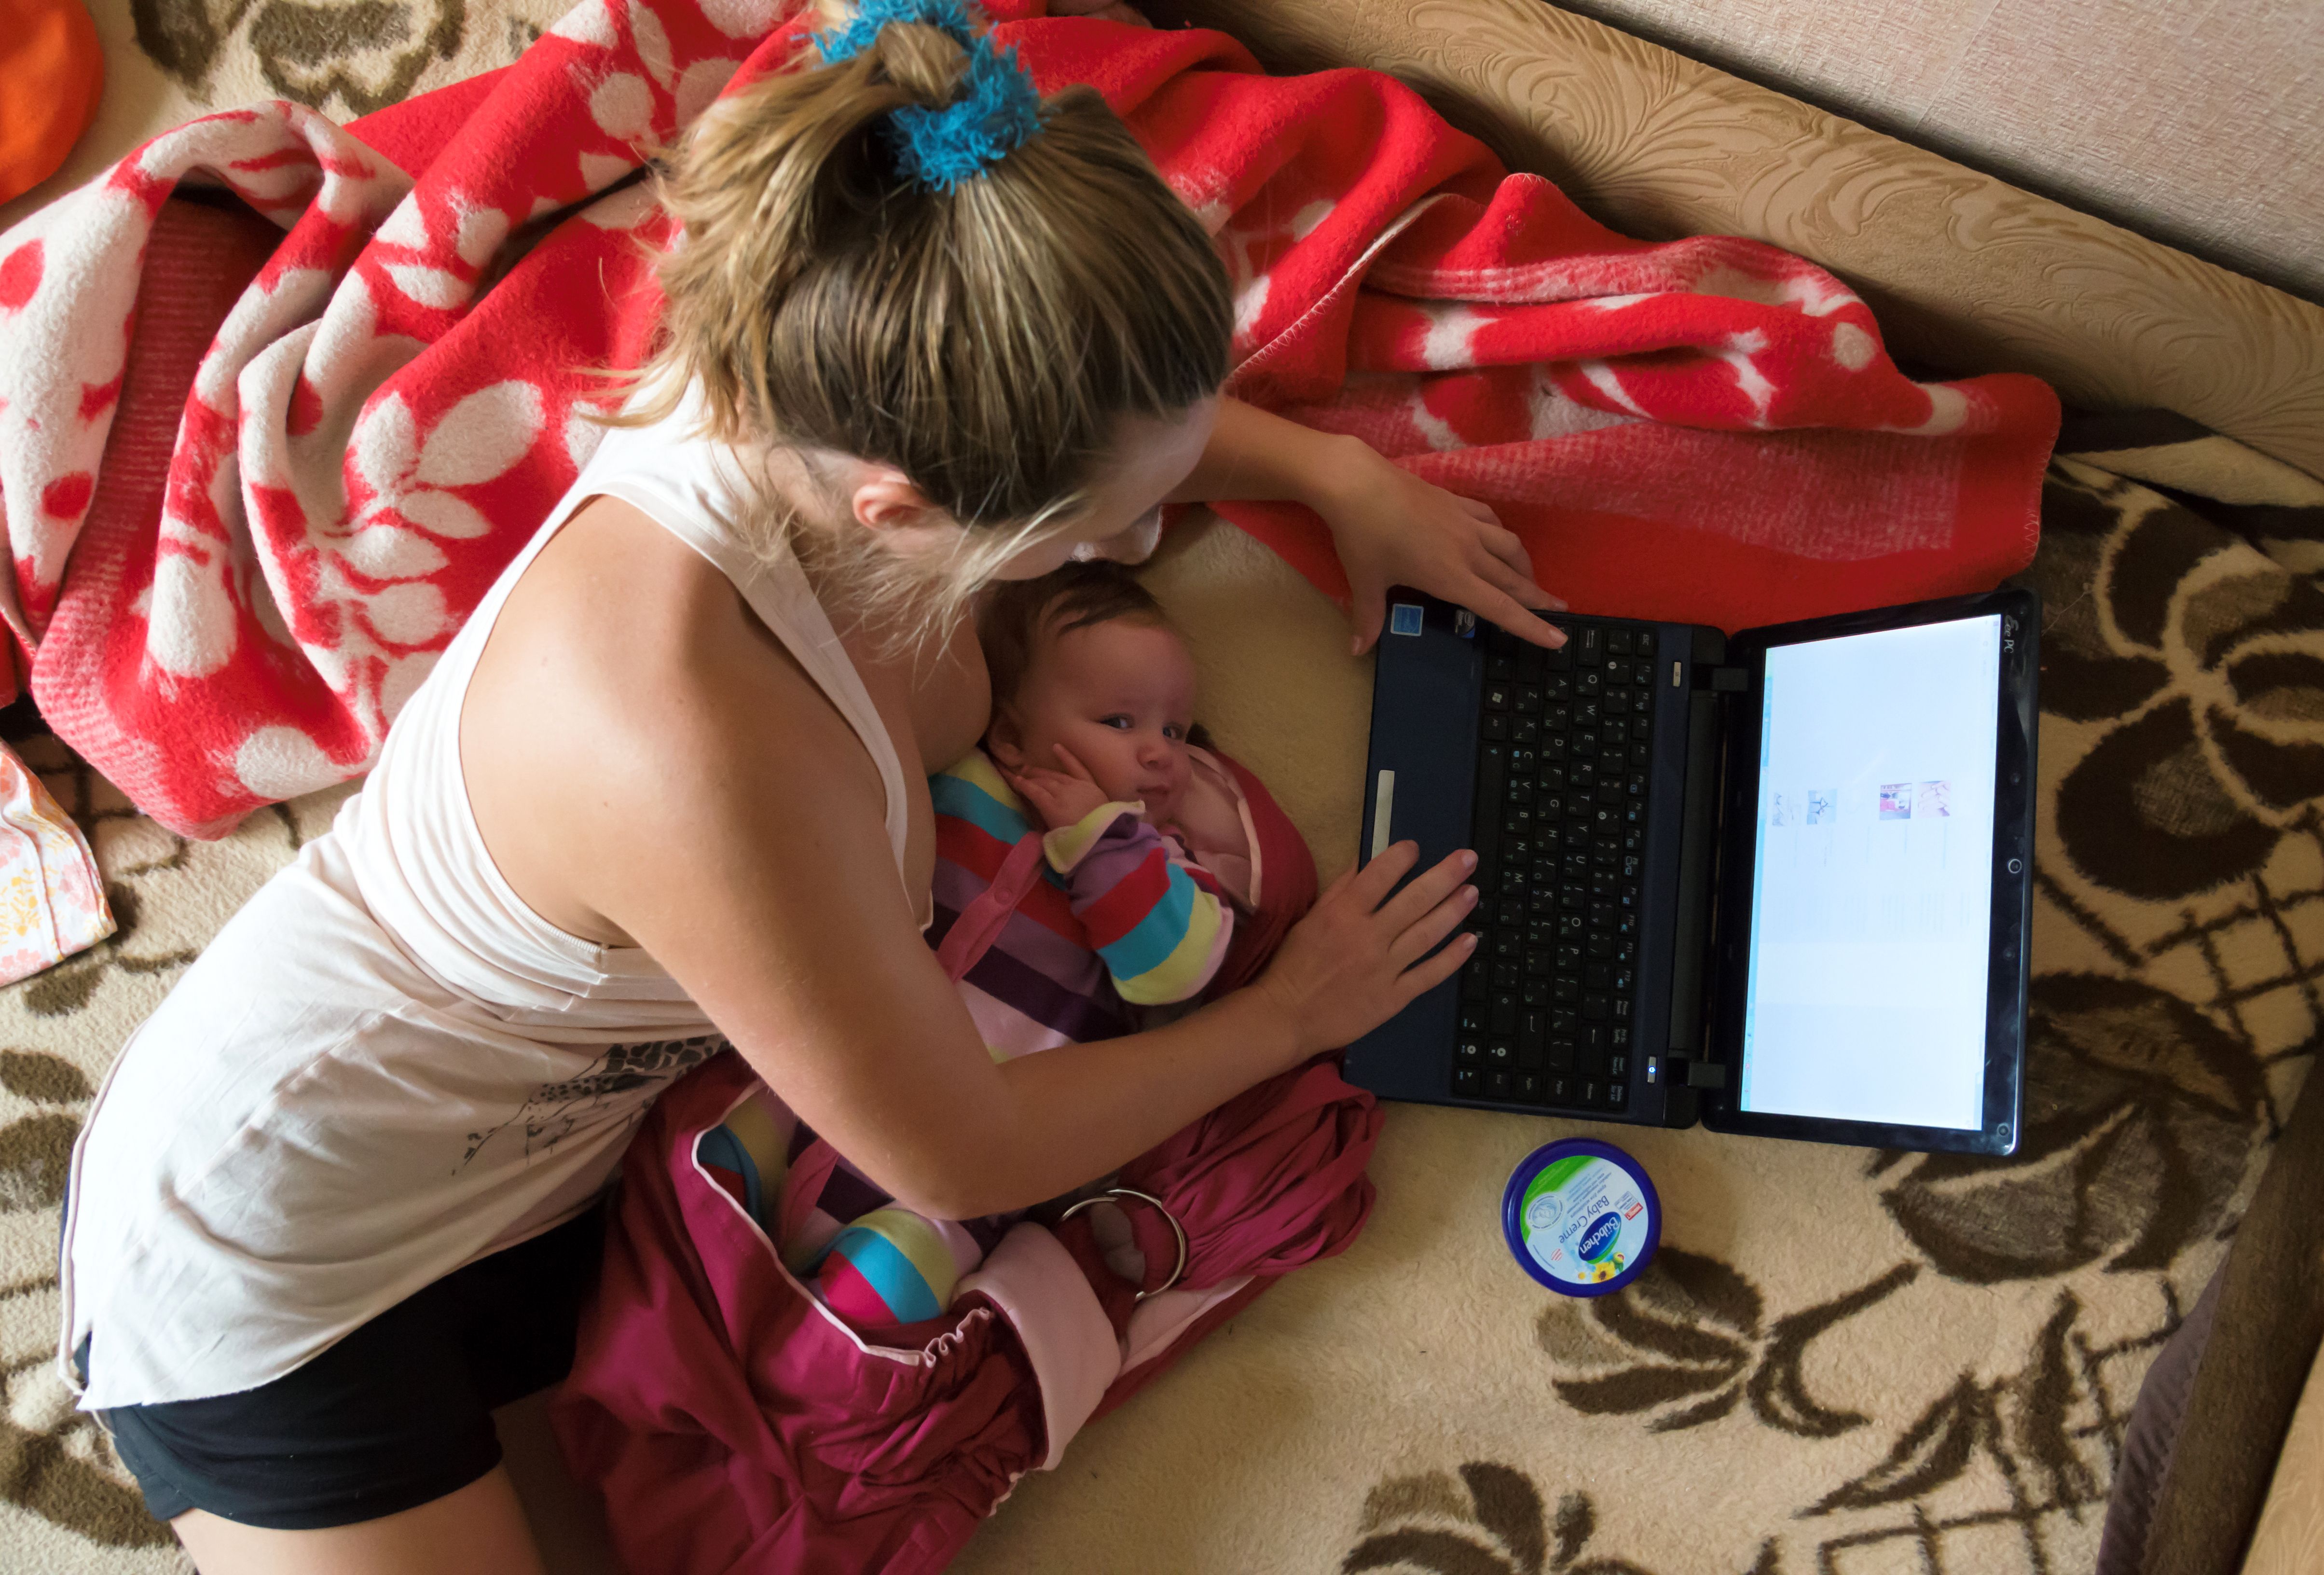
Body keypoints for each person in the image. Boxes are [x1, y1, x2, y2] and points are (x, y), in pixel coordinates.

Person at [56, 3, 1563, 1569]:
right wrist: (1288, 1016)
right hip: (262, 1264)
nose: (1119, 551)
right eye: (1073, 536)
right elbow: (961, 1148)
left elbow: (1092, 401)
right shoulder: (687, 740)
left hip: (553, 1165)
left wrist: (1339, 477)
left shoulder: (814, 354)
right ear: (899, 505)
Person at [781, 560, 1294, 1333]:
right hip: (823, 1090)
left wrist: (1102, 840)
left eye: (1174, 730)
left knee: (886, 1290)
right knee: (706, 1148)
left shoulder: (1158, 864)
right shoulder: (961, 784)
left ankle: (817, 1372)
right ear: (1013, 736)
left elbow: (1174, 973)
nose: (1160, 752)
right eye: (1119, 722)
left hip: (965, 1177)